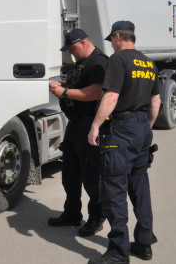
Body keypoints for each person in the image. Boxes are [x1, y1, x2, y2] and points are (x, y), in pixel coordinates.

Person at [87, 21, 161, 264]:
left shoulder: (118, 60)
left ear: (118, 37)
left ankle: (118, 253)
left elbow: (111, 96)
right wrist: (146, 128)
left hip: (121, 129)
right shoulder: (148, 62)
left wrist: (96, 125)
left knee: (114, 192)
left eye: (111, 40)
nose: (111, 44)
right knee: (140, 188)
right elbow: (156, 101)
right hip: (141, 128)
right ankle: (144, 243)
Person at [48, 28, 108, 237]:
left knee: (92, 177)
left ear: (82, 42)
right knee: (70, 174)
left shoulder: (98, 62)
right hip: (75, 125)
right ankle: (72, 213)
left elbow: (95, 92)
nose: (71, 53)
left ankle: (96, 218)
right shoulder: (83, 62)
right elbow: (79, 84)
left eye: (72, 48)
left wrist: (64, 92)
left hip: (90, 124)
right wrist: (62, 85)